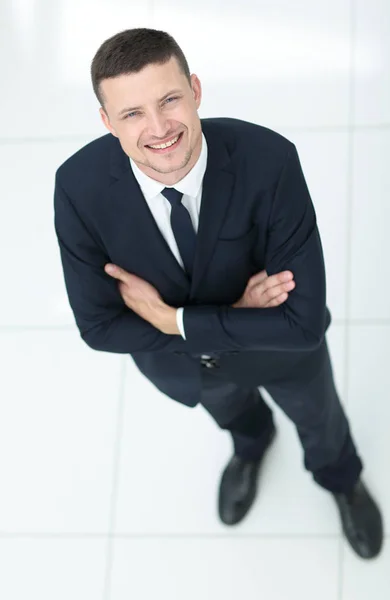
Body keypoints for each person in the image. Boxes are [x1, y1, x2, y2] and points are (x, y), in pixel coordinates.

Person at [53, 27, 383, 559]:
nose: (159, 129)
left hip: (278, 355)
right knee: (235, 417)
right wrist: (221, 317)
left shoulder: (269, 160)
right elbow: (98, 328)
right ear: (106, 121)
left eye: (169, 100)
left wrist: (173, 321)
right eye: (132, 113)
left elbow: (303, 324)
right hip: (184, 364)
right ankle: (252, 448)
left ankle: (340, 480)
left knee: (321, 421)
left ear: (196, 90)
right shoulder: (77, 186)